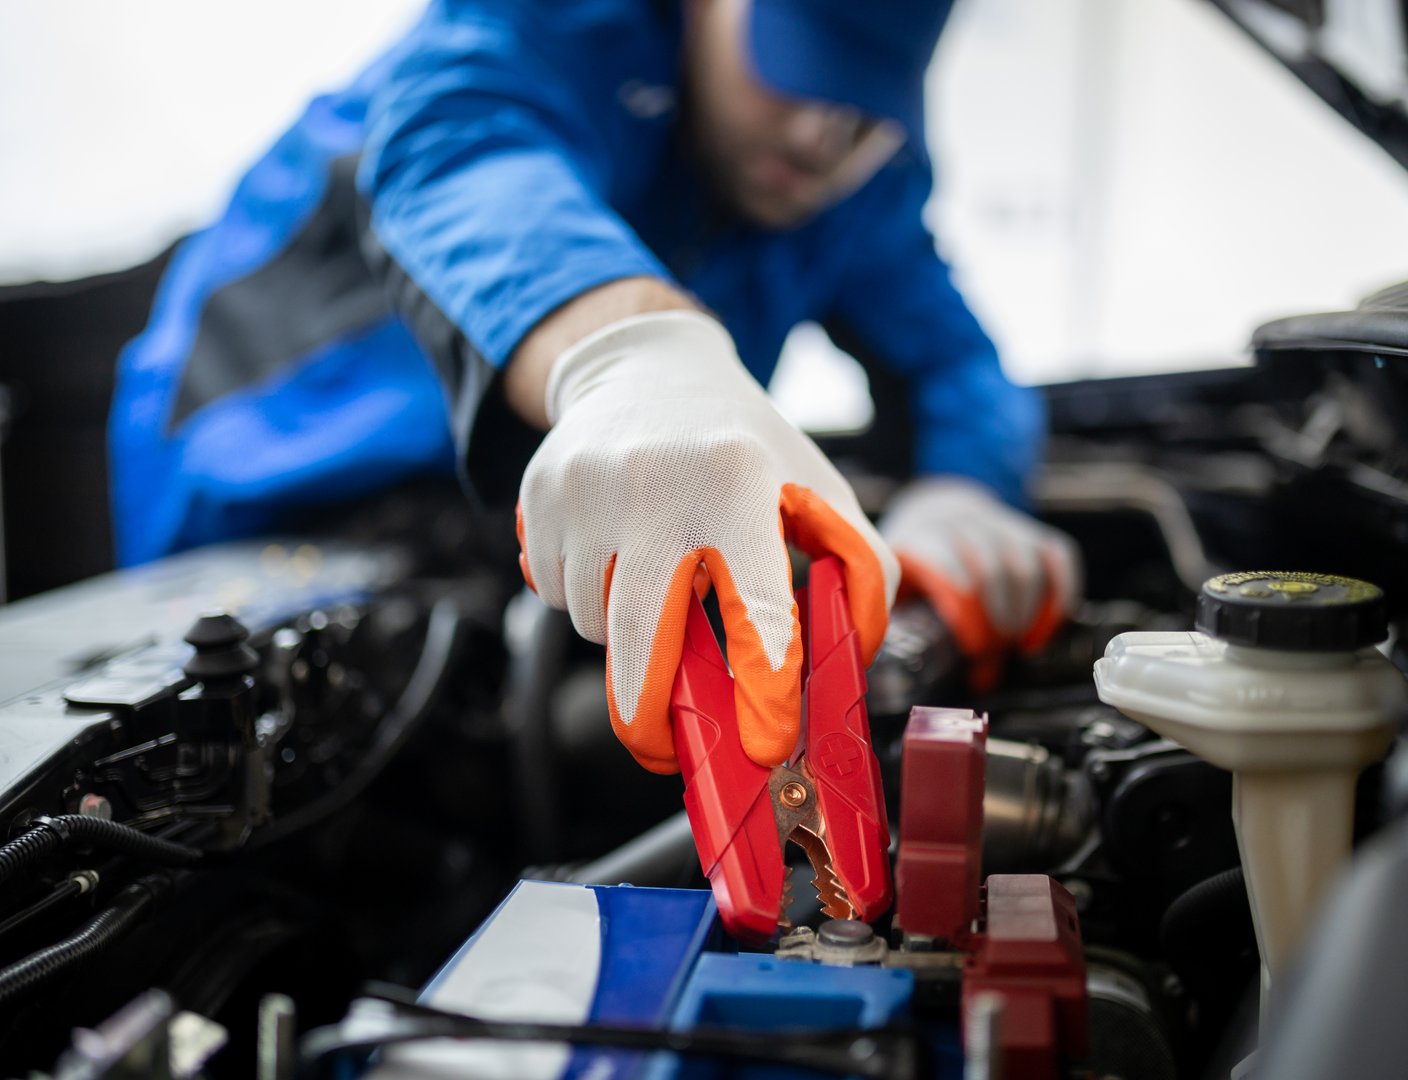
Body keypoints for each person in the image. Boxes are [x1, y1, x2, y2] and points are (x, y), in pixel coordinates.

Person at [108, 0, 1081, 774]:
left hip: (521, 549)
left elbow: (955, 360)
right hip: (263, 504)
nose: (825, 136)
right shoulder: (551, 24)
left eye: (866, 104)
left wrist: (965, 489)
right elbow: (467, 149)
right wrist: (629, 351)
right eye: (798, 66)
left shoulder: (852, 185)